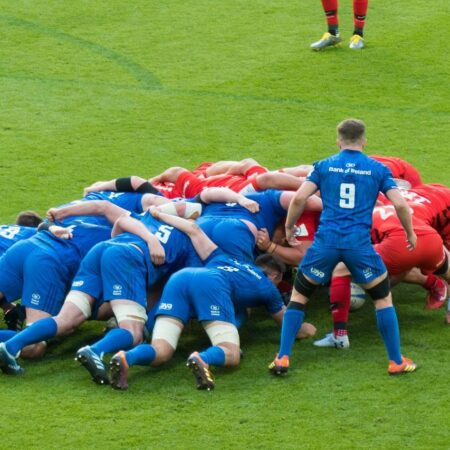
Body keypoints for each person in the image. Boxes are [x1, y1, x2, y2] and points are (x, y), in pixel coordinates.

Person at [269, 118, 418, 376]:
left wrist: (291, 226)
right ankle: (396, 361)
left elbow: (300, 198)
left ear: (338, 140)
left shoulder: (324, 166)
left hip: (325, 244)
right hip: (359, 246)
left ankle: (282, 357)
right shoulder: (377, 169)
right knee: (383, 299)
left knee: (299, 297)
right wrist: (409, 232)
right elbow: (401, 205)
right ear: (364, 141)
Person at [109, 209, 315, 391]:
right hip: (211, 283)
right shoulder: (266, 285)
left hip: (181, 278)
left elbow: (193, 230)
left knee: (161, 351)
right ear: (275, 276)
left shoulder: (223, 256)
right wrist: (308, 329)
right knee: (232, 353)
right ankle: (203, 358)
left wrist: (159, 215)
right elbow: (290, 325)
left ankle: (127, 357)